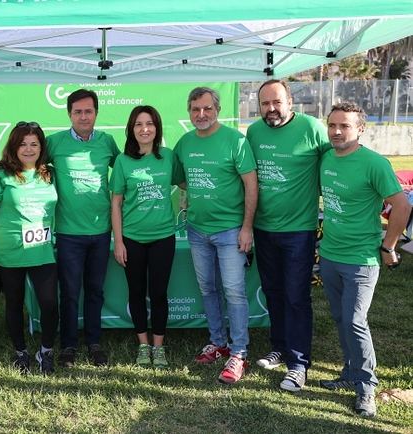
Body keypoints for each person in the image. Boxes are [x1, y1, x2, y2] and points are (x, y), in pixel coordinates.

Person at [0, 89, 119, 367]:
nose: (84, 116)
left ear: (96, 113)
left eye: (89, 111)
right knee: (69, 293)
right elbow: (23, 155)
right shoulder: (55, 143)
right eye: (78, 111)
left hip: (100, 229)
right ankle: (68, 346)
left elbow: (125, 165)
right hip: (69, 233)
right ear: (69, 114)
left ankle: (94, 342)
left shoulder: (108, 142)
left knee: (95, 291)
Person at [318, 102, 410, 418]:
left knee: (356, 321)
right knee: (342, 319)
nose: (337, 131)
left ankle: (366, 388)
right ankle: (349, 373)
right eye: (332, 125)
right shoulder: (326, 157)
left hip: (361, 259)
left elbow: (402, 206)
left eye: (344, 125)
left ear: (360, 129)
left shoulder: (374, 163)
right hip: (329, 254)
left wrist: (389, 246)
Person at [245, 79, 330, 392]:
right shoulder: (254, 132)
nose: (271, 109)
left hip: (298, 229)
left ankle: (298, 363)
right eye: (265, 103)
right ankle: (279, 347)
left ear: (290, 102)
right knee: (273, 291)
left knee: (296, 296)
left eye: (276, 102)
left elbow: (332, 163)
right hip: (264, 229)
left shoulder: (312, 128)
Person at [174, 87, 258, 384]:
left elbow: (251, 184)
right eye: (195, 109)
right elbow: (179, 178)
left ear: (217, 109)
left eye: (207, 108)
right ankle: (218, 342)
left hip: (231, 230)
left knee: (234, 291)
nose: (201, 114)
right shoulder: (184, 143)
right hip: (197, 230)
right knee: (207, 288)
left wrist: (246, 227)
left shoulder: (235, 140)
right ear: (189, 111)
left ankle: (238, 352)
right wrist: (199, 194)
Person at [0, 122, 58, 375]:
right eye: (22, 144)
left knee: (50, 304)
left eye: (34, 144)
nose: (29, 149)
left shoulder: (51, 174)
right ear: (14, 146)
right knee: (14, 303)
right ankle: (20, 352)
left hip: (43, 251)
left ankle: (45, 351)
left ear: (42, 147)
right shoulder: (0, 175)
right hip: (10, 251)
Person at [110, 105, 179, 369]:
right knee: (136, 292)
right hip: (132, 239)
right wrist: (119, 241)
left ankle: (158, 347)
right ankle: (142, 344)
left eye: (149, 123)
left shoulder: (169, 157)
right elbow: (115, 203)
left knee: (159, 293)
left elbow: (186, 182)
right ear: (131, 129)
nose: (144, 129)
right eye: (138, 124)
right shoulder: (123, 162)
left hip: (163, 237)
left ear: (157, 127)